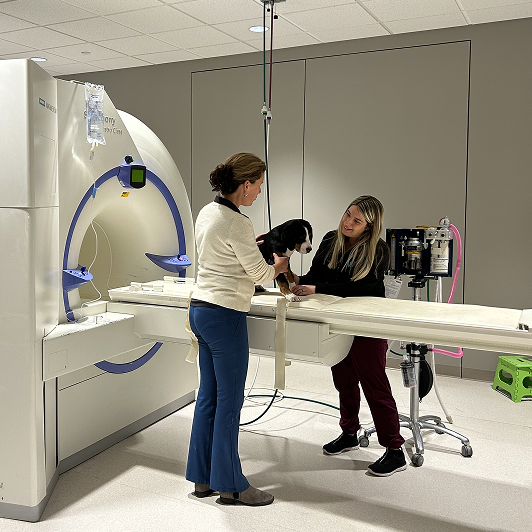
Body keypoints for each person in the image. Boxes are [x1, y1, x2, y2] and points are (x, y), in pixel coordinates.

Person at [186, 153, 289, 506]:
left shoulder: (206, 212)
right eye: (258, 185)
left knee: (208, 397)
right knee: (231, 401)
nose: (259, 192)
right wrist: (278, 265)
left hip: (199, 310)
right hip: (225, 315)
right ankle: (232, 485)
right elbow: (260, 275)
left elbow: (214, 258)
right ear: (245, 185)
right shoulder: (238, 223)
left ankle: (202, 479)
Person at [291, 195, 407, 477]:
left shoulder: (378, 250)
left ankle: (395, 450)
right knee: (343, 379)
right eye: (347, 214)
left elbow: (360, 289)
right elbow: (315, 275)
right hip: (337, 320)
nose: (348, 222)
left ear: (369, 226)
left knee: (374, 384)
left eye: (357, 220)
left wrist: (316, 288)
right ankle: (349, 433)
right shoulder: (331, 239)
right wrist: (292, 276)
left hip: (367, 322)